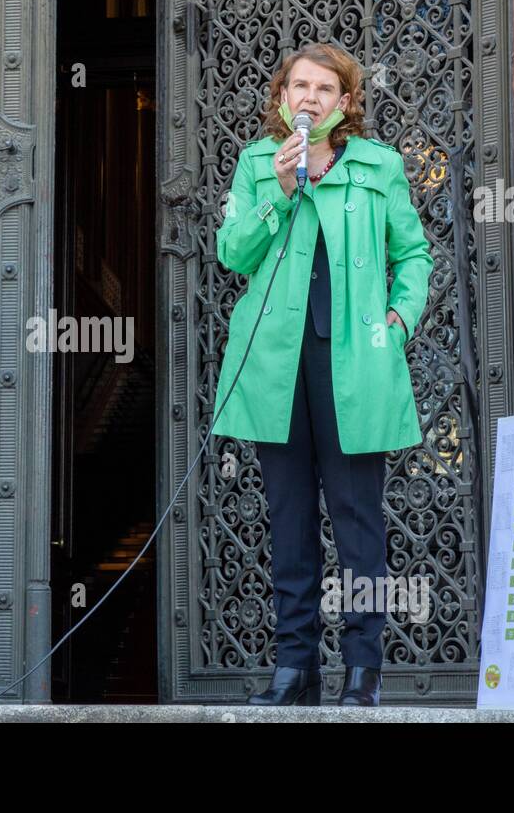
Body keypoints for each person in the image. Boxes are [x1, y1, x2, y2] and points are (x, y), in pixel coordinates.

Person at [211, 43, 434, 707]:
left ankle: (362, 669)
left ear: (345, 102)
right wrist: (278, 194)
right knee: (289, 521)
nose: (309, 96)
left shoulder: (379, 166)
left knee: (358, 520)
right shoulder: (258, 163)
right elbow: (234, 252)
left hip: (356, 362)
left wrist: (398, 318)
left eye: (324, 88)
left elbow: (414, 253)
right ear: (284, 96)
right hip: (276, 363)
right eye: (299, 85)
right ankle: (294, 666)